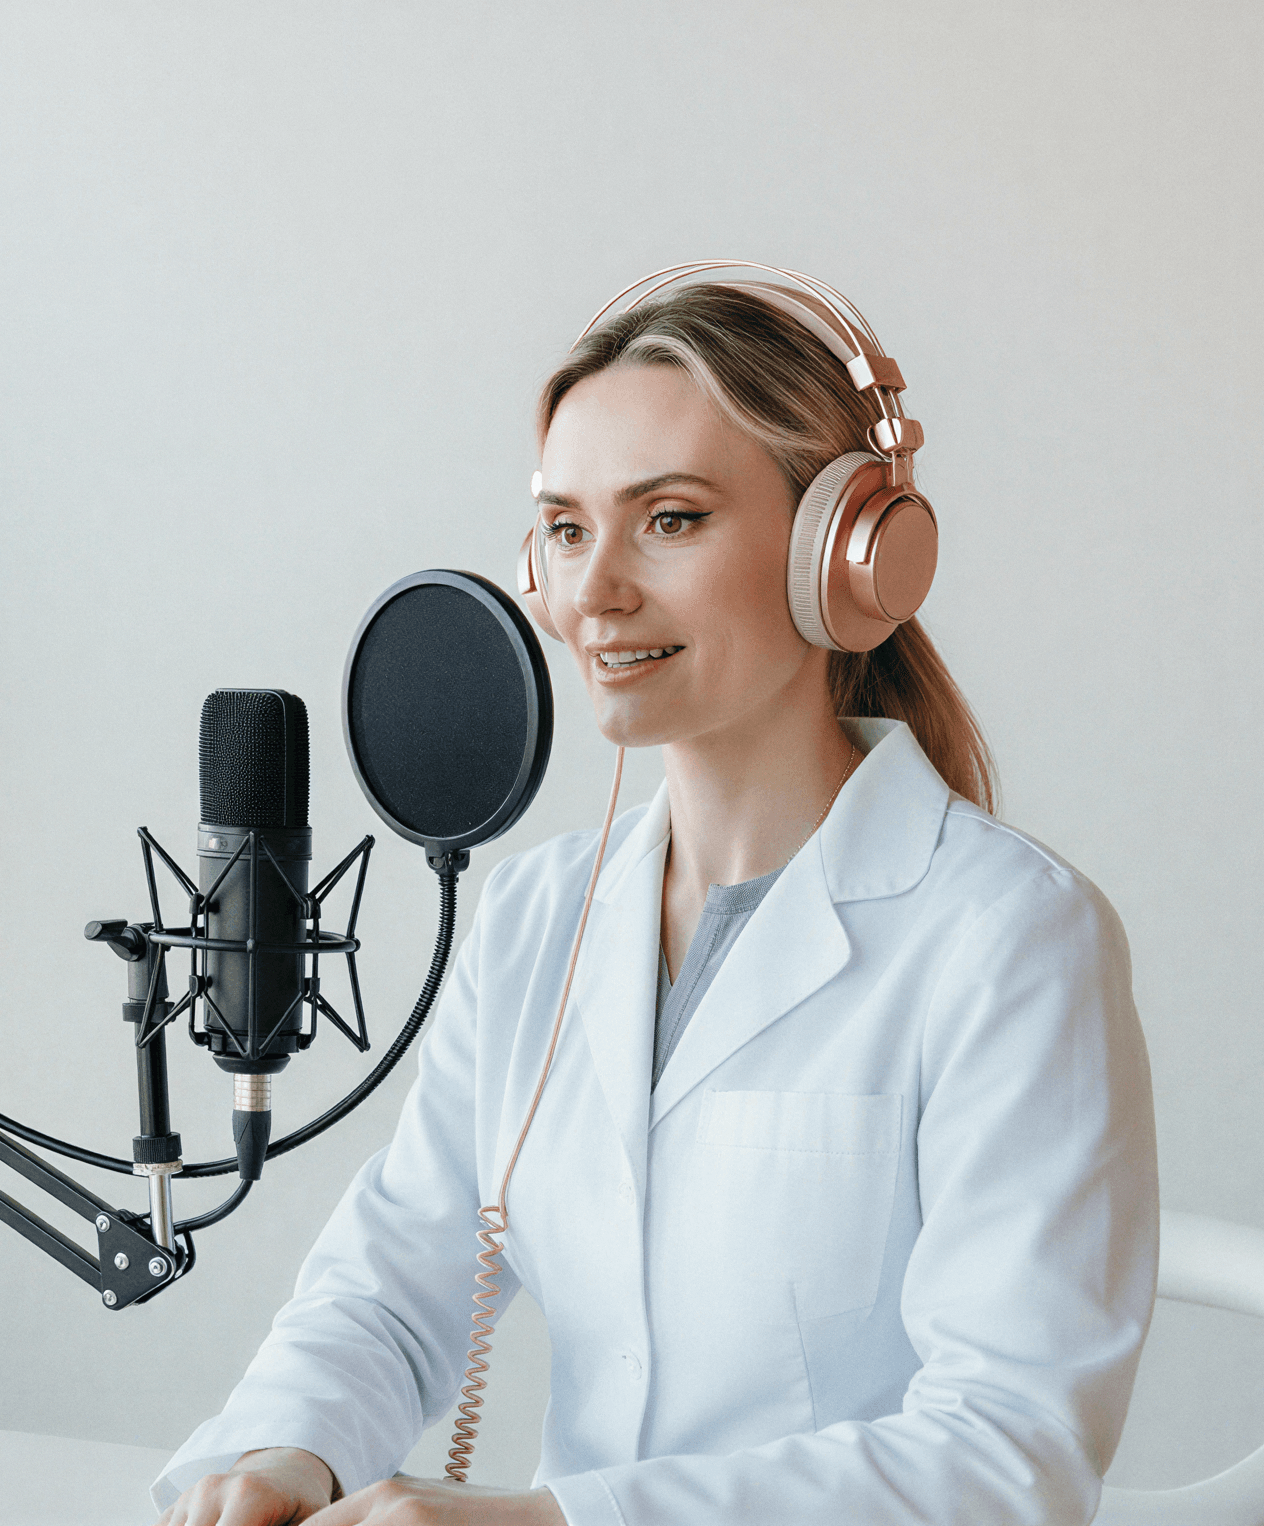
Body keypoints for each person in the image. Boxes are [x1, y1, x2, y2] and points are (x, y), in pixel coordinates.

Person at [150, 271, 1159, 1525]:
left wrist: (559, 1523)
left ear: (842, 559)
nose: (593, 592)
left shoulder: (1008, 938)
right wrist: (284, 1457)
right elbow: (393, 1286)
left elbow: (1010, 1456)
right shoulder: (533, 924)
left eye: (669, 520)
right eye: (566, 530)